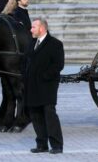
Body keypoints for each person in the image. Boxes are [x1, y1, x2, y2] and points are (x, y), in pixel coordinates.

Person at [26, 17, 64, 154]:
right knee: (36, 115)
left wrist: (44, 76)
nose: (31, 30)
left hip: (47, 86)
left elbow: (58, 65)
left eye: (33, 27)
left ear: (41, 28)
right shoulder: (31, 43)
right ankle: (41, 144)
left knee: (49, 115)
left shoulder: (55, 44)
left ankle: (57, 145)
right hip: (32, 85)